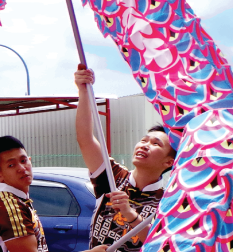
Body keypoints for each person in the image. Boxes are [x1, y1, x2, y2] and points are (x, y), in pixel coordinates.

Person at [75, 66, 176, 252]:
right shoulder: (113, 176)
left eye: (156, 144)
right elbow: (85, 139)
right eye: (144, 140)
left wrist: (130, 214)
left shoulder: (168, 201)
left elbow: (163, 244)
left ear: (169, 162)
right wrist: (83, 92)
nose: (145, 145)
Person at [0, 135, 48, 252]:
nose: (22, 168)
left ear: (30, 160)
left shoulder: (17, 199)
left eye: (23, 161)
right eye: (11, 165)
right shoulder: (11, 208)